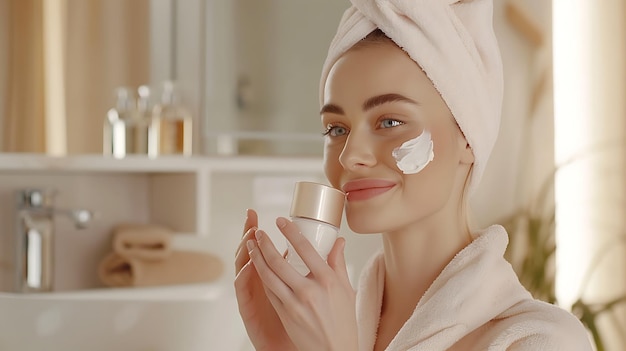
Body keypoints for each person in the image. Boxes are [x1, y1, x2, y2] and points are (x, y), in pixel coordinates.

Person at [234, 0, 593, 350]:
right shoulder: (333, 326)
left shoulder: (542, 341)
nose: (351, 154)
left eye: (390, 122)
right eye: (336, 129)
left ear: (467, 138)